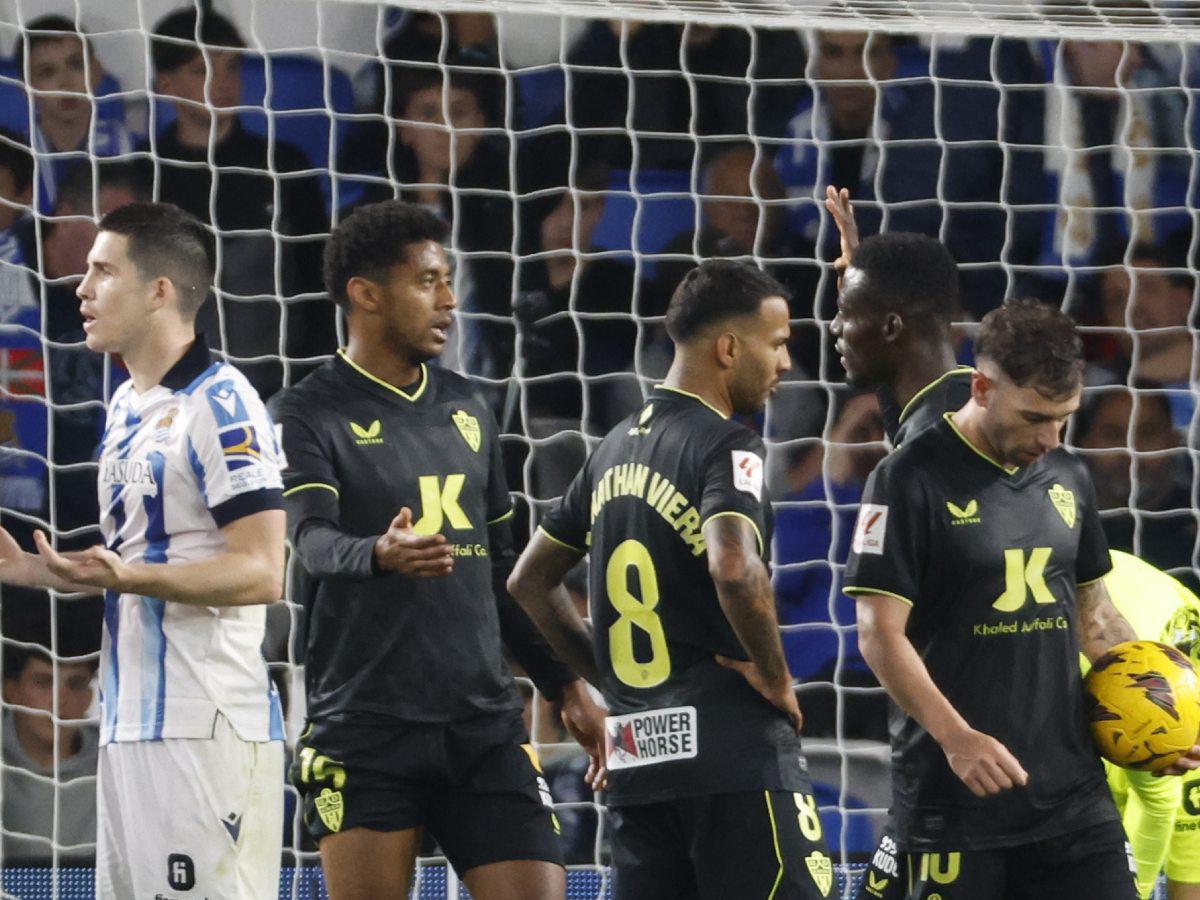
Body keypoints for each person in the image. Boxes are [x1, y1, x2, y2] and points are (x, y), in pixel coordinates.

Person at [270, 199, 604, 900]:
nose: (449, 299)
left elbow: (501, 574)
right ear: (365, 294)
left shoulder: (469, 407)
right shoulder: (307, 412)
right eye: (427, 281)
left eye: (448, 279)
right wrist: (378, 553)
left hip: (483, 724)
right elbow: (310, 540)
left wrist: (563, 683)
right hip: (365, 728)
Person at [844, 299, 1199, 899]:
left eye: (1063, 417)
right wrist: (958, 739)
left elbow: (1098, 617)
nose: (1050, 437)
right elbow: (880, 635)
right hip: (957, 803)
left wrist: (1162, 718)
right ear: (981, 387)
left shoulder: (1068, 476)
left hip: (1073, 800)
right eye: (1035, 417)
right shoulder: (908, 479)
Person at [508, 259, 837, 898]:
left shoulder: (609, 451)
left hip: (637, 762)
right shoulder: (727, 446)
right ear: (728, 347)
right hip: (733, 759)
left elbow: (527, 581)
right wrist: (773, 673)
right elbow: (734, 566)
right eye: (777, 344)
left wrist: (610, 682)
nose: (786, 364)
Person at [0, 201, 287, 898]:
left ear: (160, 290)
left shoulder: (223, 405)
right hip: (127, 721)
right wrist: (43, 571)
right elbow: (143, 562)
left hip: (204, 723)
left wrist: (132, 575)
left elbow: (261, 571)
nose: (82, 287)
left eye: (103, 271)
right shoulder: (129, 403)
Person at [145, 5, 332, 398]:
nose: (222, 82)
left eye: (231, 67)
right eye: (202, 70)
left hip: (282, 384)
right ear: (166, 83)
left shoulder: (283, 164)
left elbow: (318, 282)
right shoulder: (145, 173)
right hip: (177, 391)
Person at [825, 188, 972, 447]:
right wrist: (856, 283)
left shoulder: (934, 445)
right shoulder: (959, 405)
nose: (835, 327)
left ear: (892, 327)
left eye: (846, 313)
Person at [14, 16, 136, 215]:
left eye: (76, 65)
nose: (66, 82)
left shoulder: (131, 147)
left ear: (96, 72)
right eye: (47, 72)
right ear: (26, 88)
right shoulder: (16, 156)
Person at [2, 634, 99, 863]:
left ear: (89, 697)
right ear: (10, 691)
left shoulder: (114, 765)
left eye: (75, 684)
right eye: (43, 682)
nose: (59, 700)